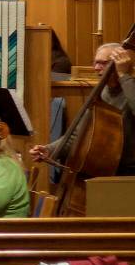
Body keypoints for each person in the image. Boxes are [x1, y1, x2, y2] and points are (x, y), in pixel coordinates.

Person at [30, 43, 135, 176]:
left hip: (128, 171)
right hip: (104, 168)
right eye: (95, 62)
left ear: (120, 63)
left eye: (104, 63)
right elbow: (78, 134)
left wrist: (124, 75)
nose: (97, 68)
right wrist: (49, 149)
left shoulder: (130, 87)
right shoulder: (100, 92)